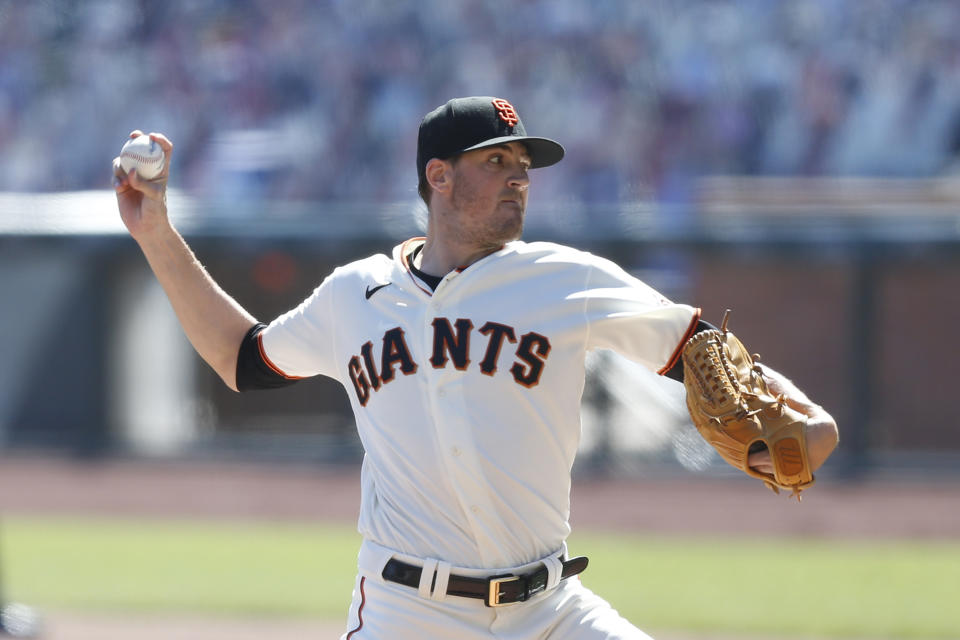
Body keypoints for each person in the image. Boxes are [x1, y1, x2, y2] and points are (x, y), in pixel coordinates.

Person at [113, 96, 838, 639]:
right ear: (439, 176)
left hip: (549, 610)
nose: (518, 179)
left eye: (523, 167)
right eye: (497, 162)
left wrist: (803, 415)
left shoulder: (564, 278)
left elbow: (703, 350)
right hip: (407, 610)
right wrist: (155, 231)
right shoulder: (353, 295)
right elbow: (242, 358)